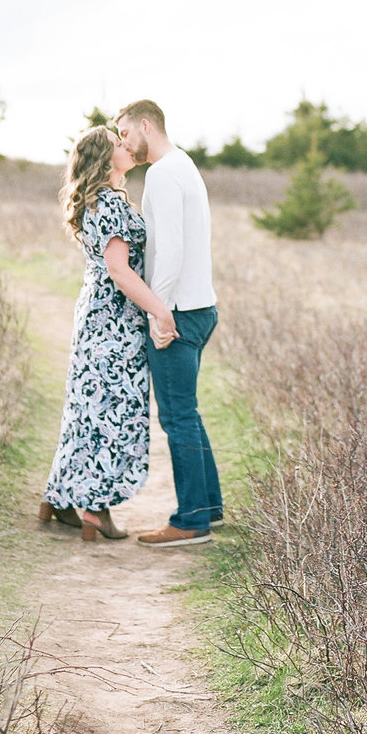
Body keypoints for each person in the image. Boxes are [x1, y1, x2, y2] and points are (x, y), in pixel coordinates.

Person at [39, 123, 178, 542]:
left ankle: (60, 498)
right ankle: (95, 510)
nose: (126, 146)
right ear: (104, 158)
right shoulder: (111, 206)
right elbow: (119, 270)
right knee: (110, 411)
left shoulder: (99, 200)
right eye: (118, 143)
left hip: (95, 314)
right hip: (114, 321)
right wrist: (159, 310)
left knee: (86, 406)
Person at [116, 99, 222, 546]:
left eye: (124, 134)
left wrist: (158, 311)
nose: (123, 143)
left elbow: (171, 250)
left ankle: (190, 521)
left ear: (145, 125)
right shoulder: (184, 164)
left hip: (177, 312)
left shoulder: (160, 173)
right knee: (188, 414)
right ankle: (210, 508)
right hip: (202, 306)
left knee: (177, 417)